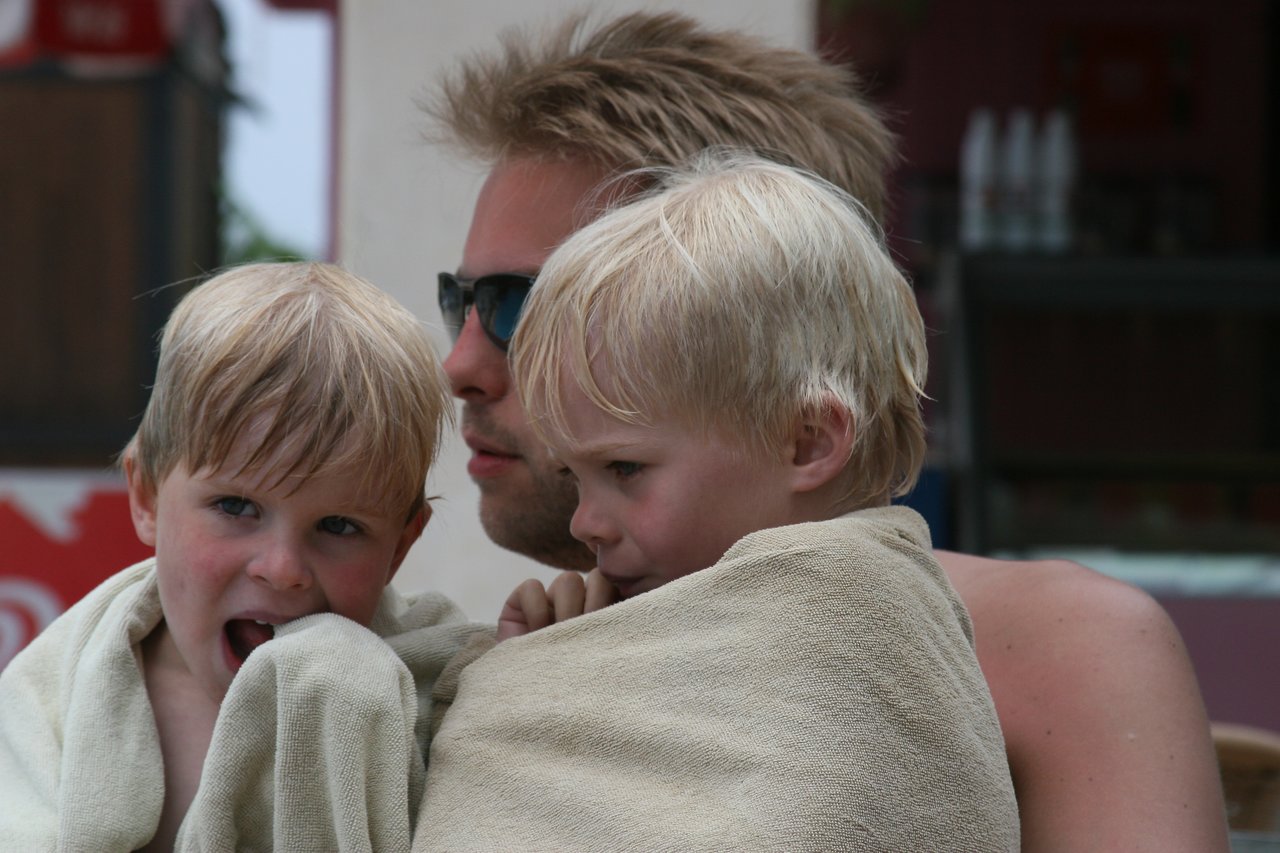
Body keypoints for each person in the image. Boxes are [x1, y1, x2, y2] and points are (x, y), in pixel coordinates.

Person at [427, 11, 1229, 850]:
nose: (460, 363)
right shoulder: (543, 643)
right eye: (460, 301)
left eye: (528, 305)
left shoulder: (1064, 647)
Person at [417, 152, 1019, 851]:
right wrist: (542, 676)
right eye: (577, 478)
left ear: (807, 442)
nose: (585, 523)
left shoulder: (866, 625)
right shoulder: (647, 622)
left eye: (625, 468)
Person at [0, 262, 485, 852]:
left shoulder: (440, 686)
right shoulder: (53, 695)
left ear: (400, 546)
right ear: (147, 496)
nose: (282, 568)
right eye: (236, 507)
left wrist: (535, 653)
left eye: (338, 526)